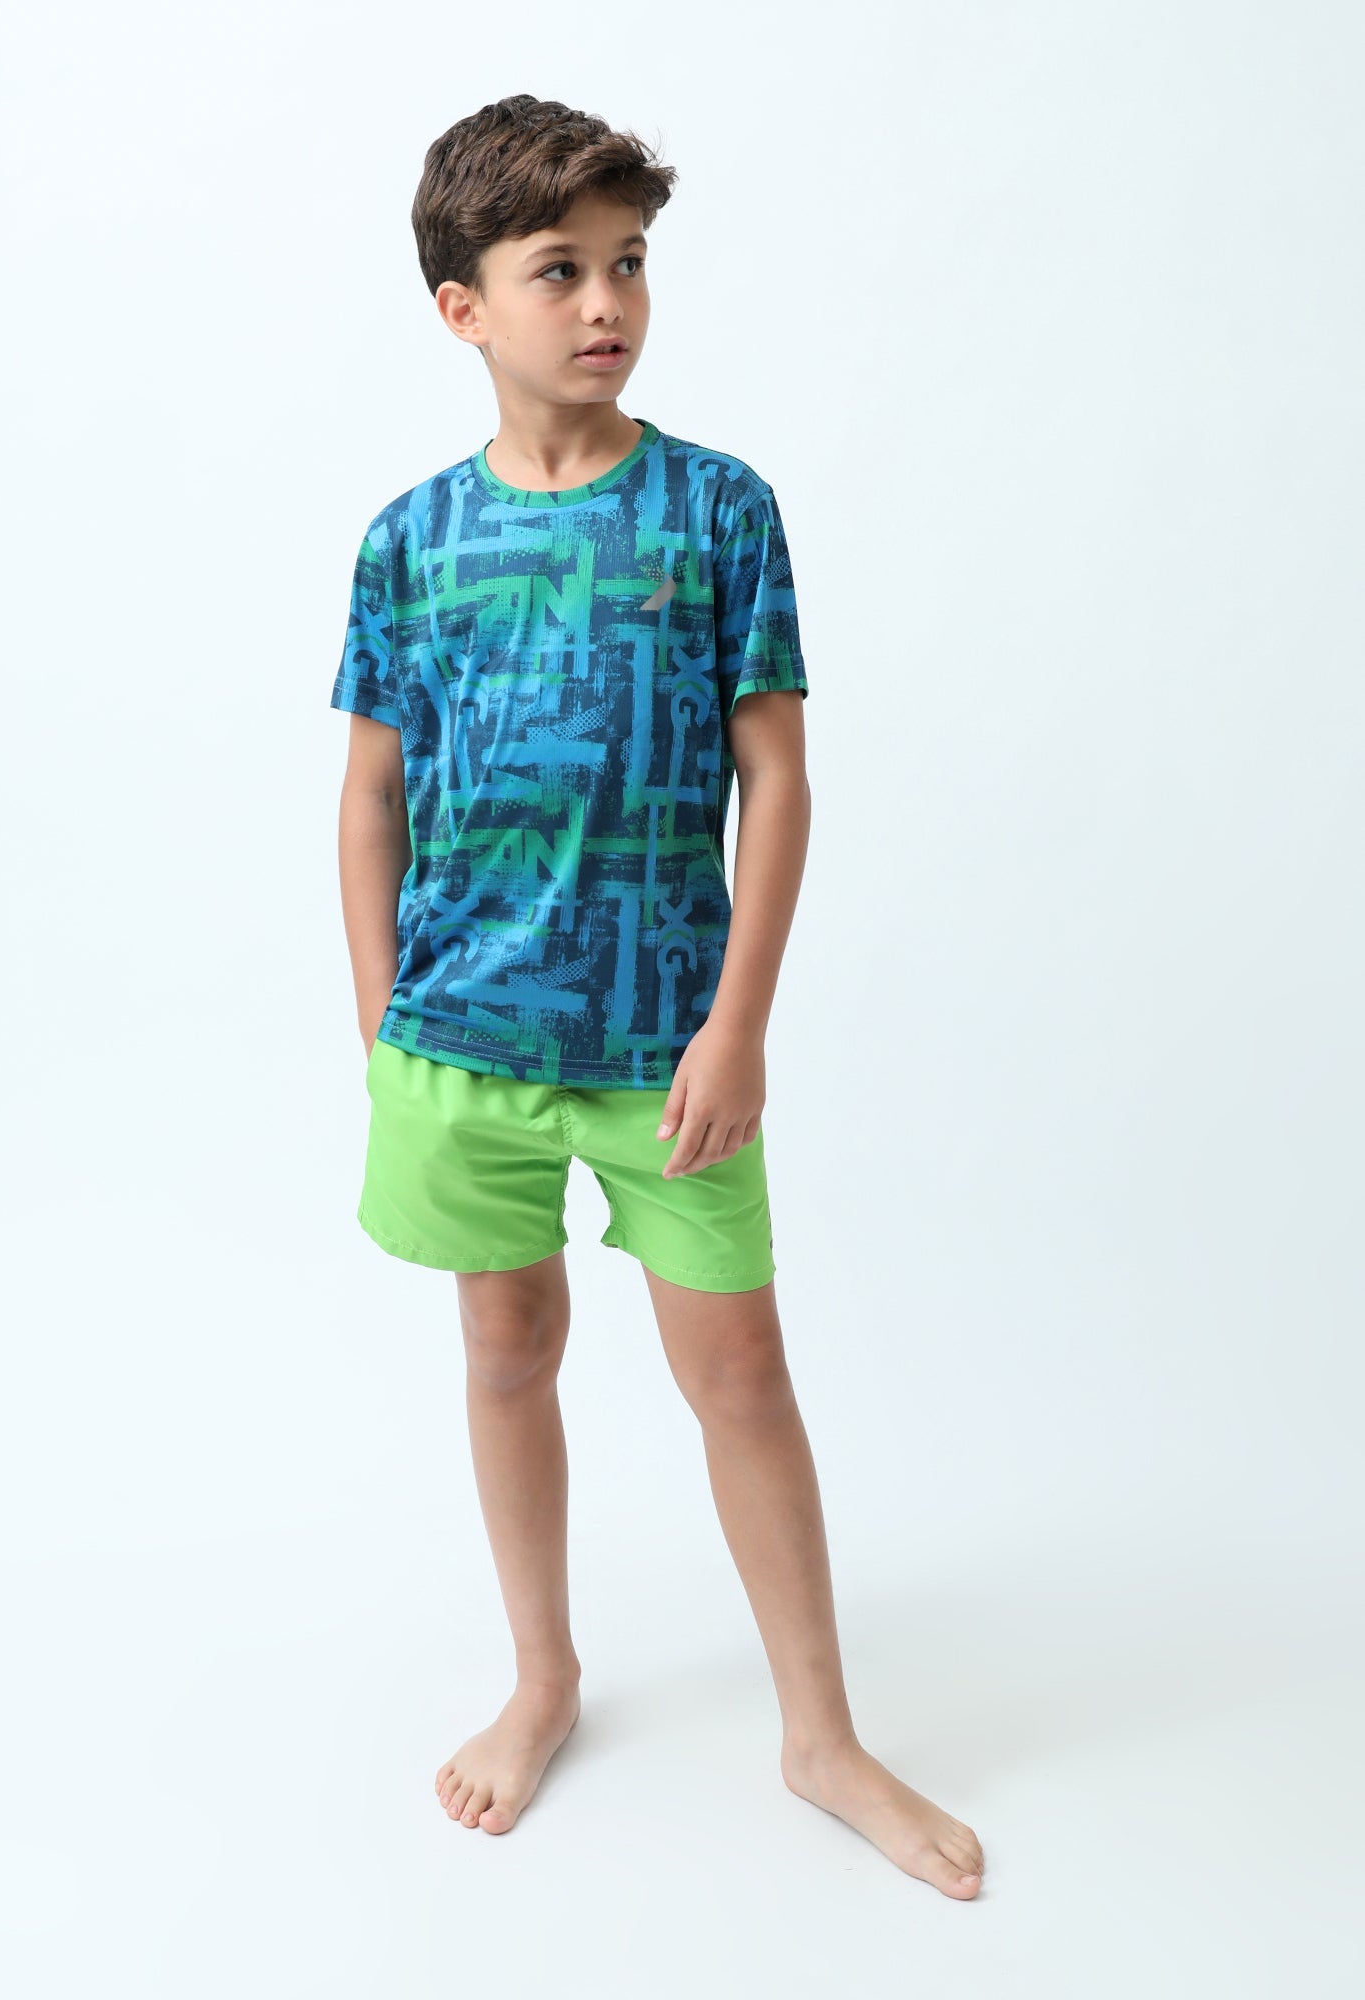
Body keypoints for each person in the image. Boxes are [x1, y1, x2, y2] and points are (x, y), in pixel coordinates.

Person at [330, 93, 985, 1899]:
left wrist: (737, 1024)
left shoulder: (717, 511)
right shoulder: (408, 542)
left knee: (741, 1369)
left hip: (664, 1046)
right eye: (560, 270)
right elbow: (373, 794)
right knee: (504, 1347)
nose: (607, 299)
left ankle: (821, 1734)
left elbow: (776, 778)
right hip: (460, 1044)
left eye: (628, 263)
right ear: (463, 306)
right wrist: (384, 1022)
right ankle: (542, 1676)